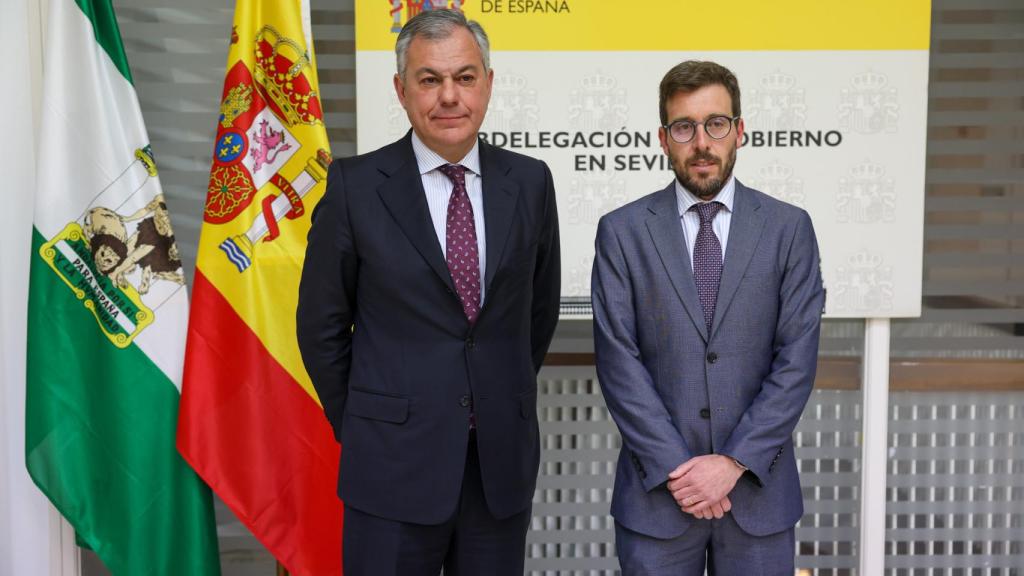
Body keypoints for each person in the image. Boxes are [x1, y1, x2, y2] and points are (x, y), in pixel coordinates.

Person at [296, 9, 560, 576]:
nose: (449, 97)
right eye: (429, 79)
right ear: (401, 89)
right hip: (389, 470)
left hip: (497, 472)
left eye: (465, 77)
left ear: (488, 83)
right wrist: (370, 423)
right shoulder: (355, 188)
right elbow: (320, 328)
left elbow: (535, 314)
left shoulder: (531, 182)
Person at [591, 60, 825, 574]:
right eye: (684, 127)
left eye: (716, 124)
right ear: (663, 138)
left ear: (739, 131)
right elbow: (618, 362)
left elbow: (796, 361)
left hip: (758, 499)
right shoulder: (622, 232)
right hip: (658, 499)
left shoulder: (789, 229)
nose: (702, 142)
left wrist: (733, 463)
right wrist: (682, 471)